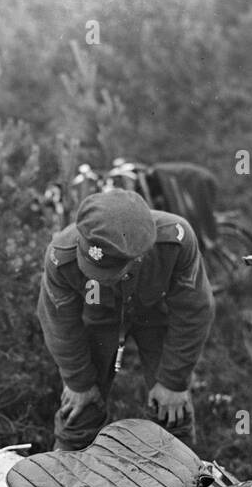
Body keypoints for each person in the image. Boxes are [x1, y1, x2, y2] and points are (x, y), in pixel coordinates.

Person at [37, 188, 215, 451]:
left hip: (155, 315)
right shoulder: (60, 255)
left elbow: (194, 310)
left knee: (173, 410)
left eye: (108, 271)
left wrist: (172, 381)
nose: (98, 276)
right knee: (78, 410)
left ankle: (184, 480)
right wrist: (79, 382)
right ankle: (63, 481)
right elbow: (59, 323)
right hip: (97, 319)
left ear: (138, 256)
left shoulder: (175, 240)